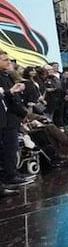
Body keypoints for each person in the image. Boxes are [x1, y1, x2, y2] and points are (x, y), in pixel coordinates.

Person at [0, 51, 37, 193]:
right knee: (9, 149)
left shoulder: (6, 75)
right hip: (7, 118)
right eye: (5, 60)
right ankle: (10, 176)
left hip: (11, 118)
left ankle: (12, 175)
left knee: (11, 148)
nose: (9, 62)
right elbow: (8, 99)